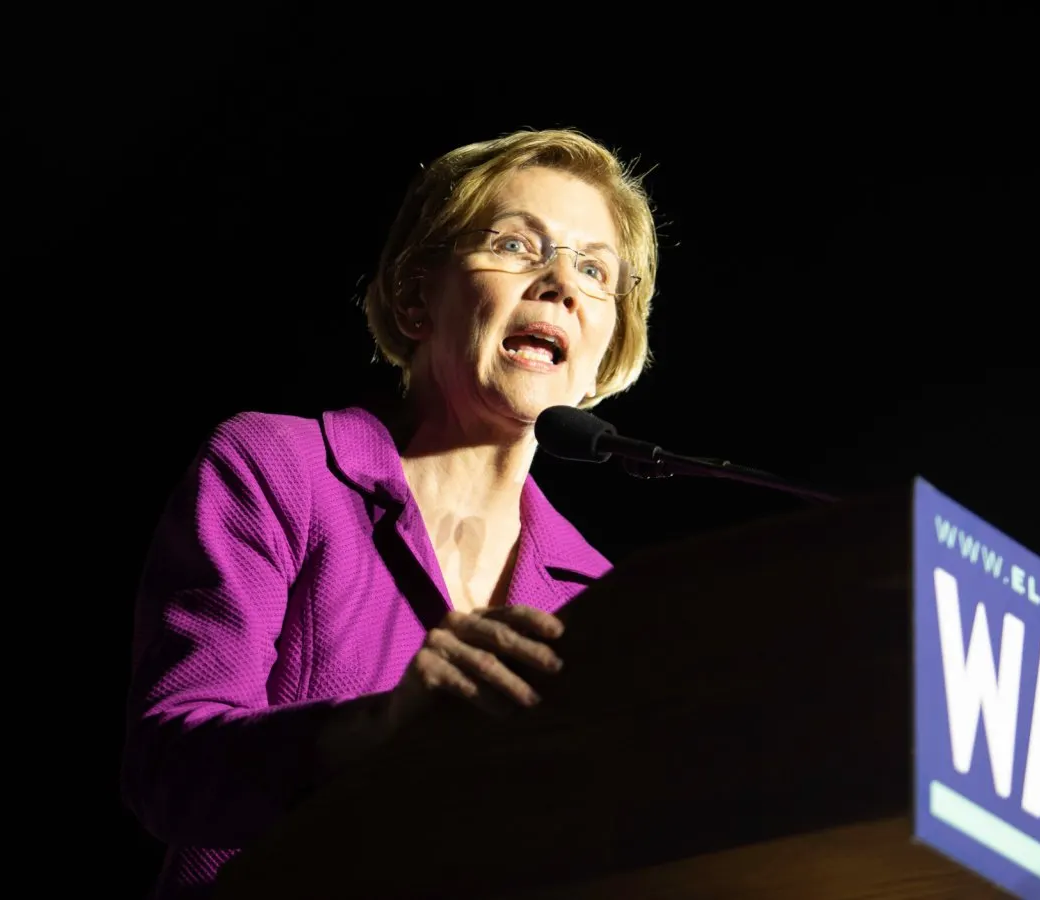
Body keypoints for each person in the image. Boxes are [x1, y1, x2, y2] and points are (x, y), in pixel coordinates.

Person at [120, 128, 660, 899]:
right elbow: (167, 773)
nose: (559, 283)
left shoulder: (601, 595)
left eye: (595, 269)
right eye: (516, 245)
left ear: (608, 344)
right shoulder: (279, 469)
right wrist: (376, 730)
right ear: (415, 299)